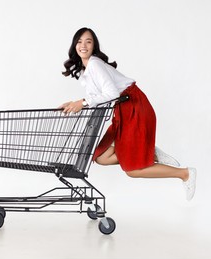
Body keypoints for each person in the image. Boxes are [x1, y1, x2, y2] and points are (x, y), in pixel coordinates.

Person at [60, 27, 197, 201]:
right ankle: (151, 153)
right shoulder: (85, 71)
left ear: (94, 45)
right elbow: (97, 96)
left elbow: (112, 94)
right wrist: (74, 103)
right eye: (79, 41)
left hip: (134, 106)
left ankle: (185, 174)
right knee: (100, 157)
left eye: (88, 41)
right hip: (124, 108)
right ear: (74, 45)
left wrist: (83, 103)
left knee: (132, 170)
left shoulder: (94, 64)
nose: (83, 45)